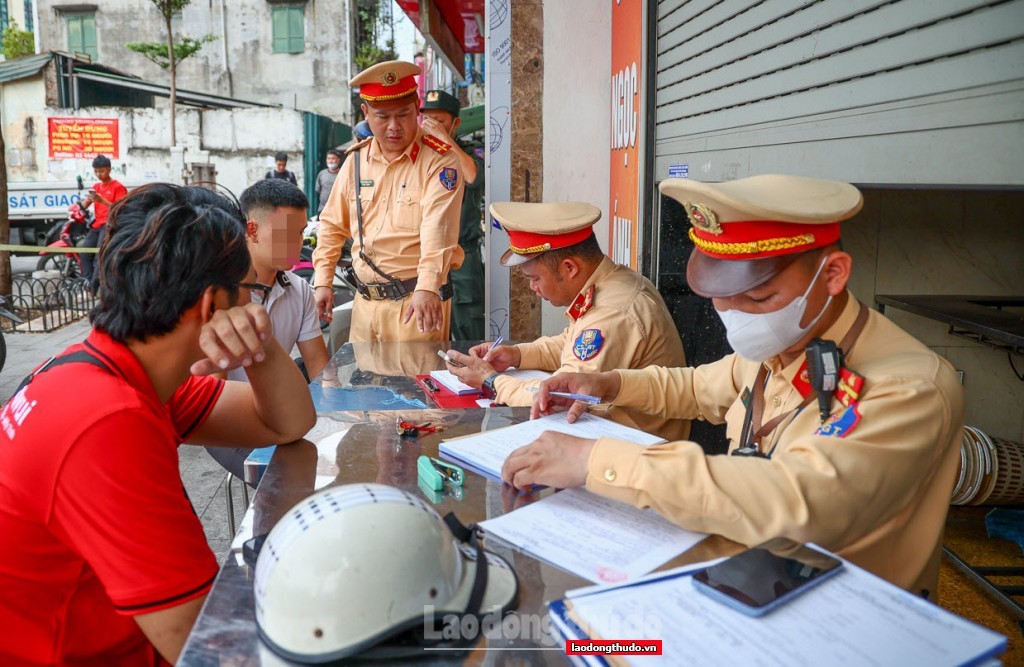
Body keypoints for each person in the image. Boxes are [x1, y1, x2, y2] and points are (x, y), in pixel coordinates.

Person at [505, 174, 964, 598]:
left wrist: (596, 460)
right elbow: (698, 388)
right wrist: (607, 382)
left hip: (838, 621)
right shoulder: (782, 344)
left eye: (759, 297)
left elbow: (798, 499)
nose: (739, 318)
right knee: (616, 644)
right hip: (744, 581)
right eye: (722, 301)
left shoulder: (908, 387)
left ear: (833, 274)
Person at [0, 183, 316, 665]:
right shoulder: (107, 423)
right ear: (213, 306)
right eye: (248, 291)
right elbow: (209, 647)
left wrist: (260, 344)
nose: (254, 304)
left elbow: (288, 424)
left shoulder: (112, 370)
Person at [444, 201, 689, 441]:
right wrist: (517, 354)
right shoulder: (610, 282)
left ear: (570, 268)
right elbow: (573, 344)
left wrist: (491, 381)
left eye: (535, 278)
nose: (532, 288)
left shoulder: (612, 311)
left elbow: (558, 395)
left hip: (636, 453)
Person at [312, 60, 464, 343]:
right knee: (366, 385)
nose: (394, 127)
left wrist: (428, 287)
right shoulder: (355, 161)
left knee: (413, 387)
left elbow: (438, 230)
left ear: (416, 110)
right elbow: (331, 225)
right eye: (383, 117)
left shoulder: (440, 161)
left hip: (417, 305)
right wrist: (322, 279)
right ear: (365, 113)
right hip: (365, 305)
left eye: (404, 115)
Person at [204, 179, 330, 480]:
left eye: (300, 234)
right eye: (286, 233)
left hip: (277, 405)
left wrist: (333, 421)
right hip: (223, 416)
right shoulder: (221, 291)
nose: (297, 244)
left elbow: (319, 368)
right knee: (289, 477)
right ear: (252, 230)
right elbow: (212, 394)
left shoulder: (299, 290)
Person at [419, 89, 485, 340]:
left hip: (463, 256)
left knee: (469, 329)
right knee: (428, 332)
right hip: (427, 256)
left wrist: (443, 139)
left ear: (455, 123)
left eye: (440, 121)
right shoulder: (419, 153)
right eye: (428, 119)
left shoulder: (469, 150)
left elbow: (473, 177)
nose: (431, 125)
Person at [79, 154, 128, 289]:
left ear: (109, 169)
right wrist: (88, 200)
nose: (98, 174)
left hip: (110, 225)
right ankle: (88, 283)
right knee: (84, 252)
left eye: (101, 171)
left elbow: (121, 209)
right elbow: (83, 206)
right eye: (96, 171)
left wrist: (102, 201)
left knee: (98, 255)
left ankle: (95, 287)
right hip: (96, 225)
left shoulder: (118, 187)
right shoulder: (96, 187)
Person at [315, 149, 343, 215]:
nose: (330, 161)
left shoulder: (343, 174)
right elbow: (318, 190)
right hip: (323, 209)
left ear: (338, 160)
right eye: (328, 158)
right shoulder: (321, 174)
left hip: (338, 210)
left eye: (333, 158)